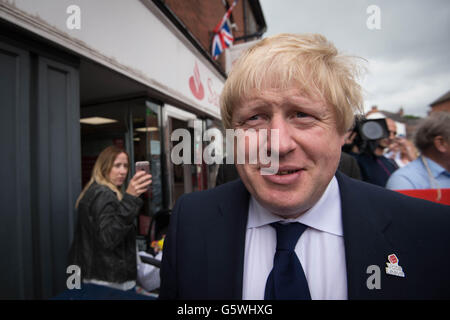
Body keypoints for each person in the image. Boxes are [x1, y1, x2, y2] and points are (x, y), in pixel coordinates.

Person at [159, 34, 450, 300]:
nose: (279, 144)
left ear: (342, 132)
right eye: (255, 118)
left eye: (302, 114)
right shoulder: (191, 221)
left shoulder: (430, 231)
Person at [67, 145, 152, 299]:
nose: (123, 171)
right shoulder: (103, 194)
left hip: (99, 278)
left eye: (126, 166)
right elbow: (108, 237)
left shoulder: (96, 190)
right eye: (117, 165)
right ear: (104, 166)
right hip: (109, 282)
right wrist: (130, 199)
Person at [386, 112, 450, 190]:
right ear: (441, 143)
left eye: (394, 133)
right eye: (388, 132)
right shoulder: (405, 181)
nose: (391, 137)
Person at [355, 117, 399, 186]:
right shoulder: (358, 161)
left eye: (394, 133)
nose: (391, 137)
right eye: (387, 131)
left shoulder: (391, 163)